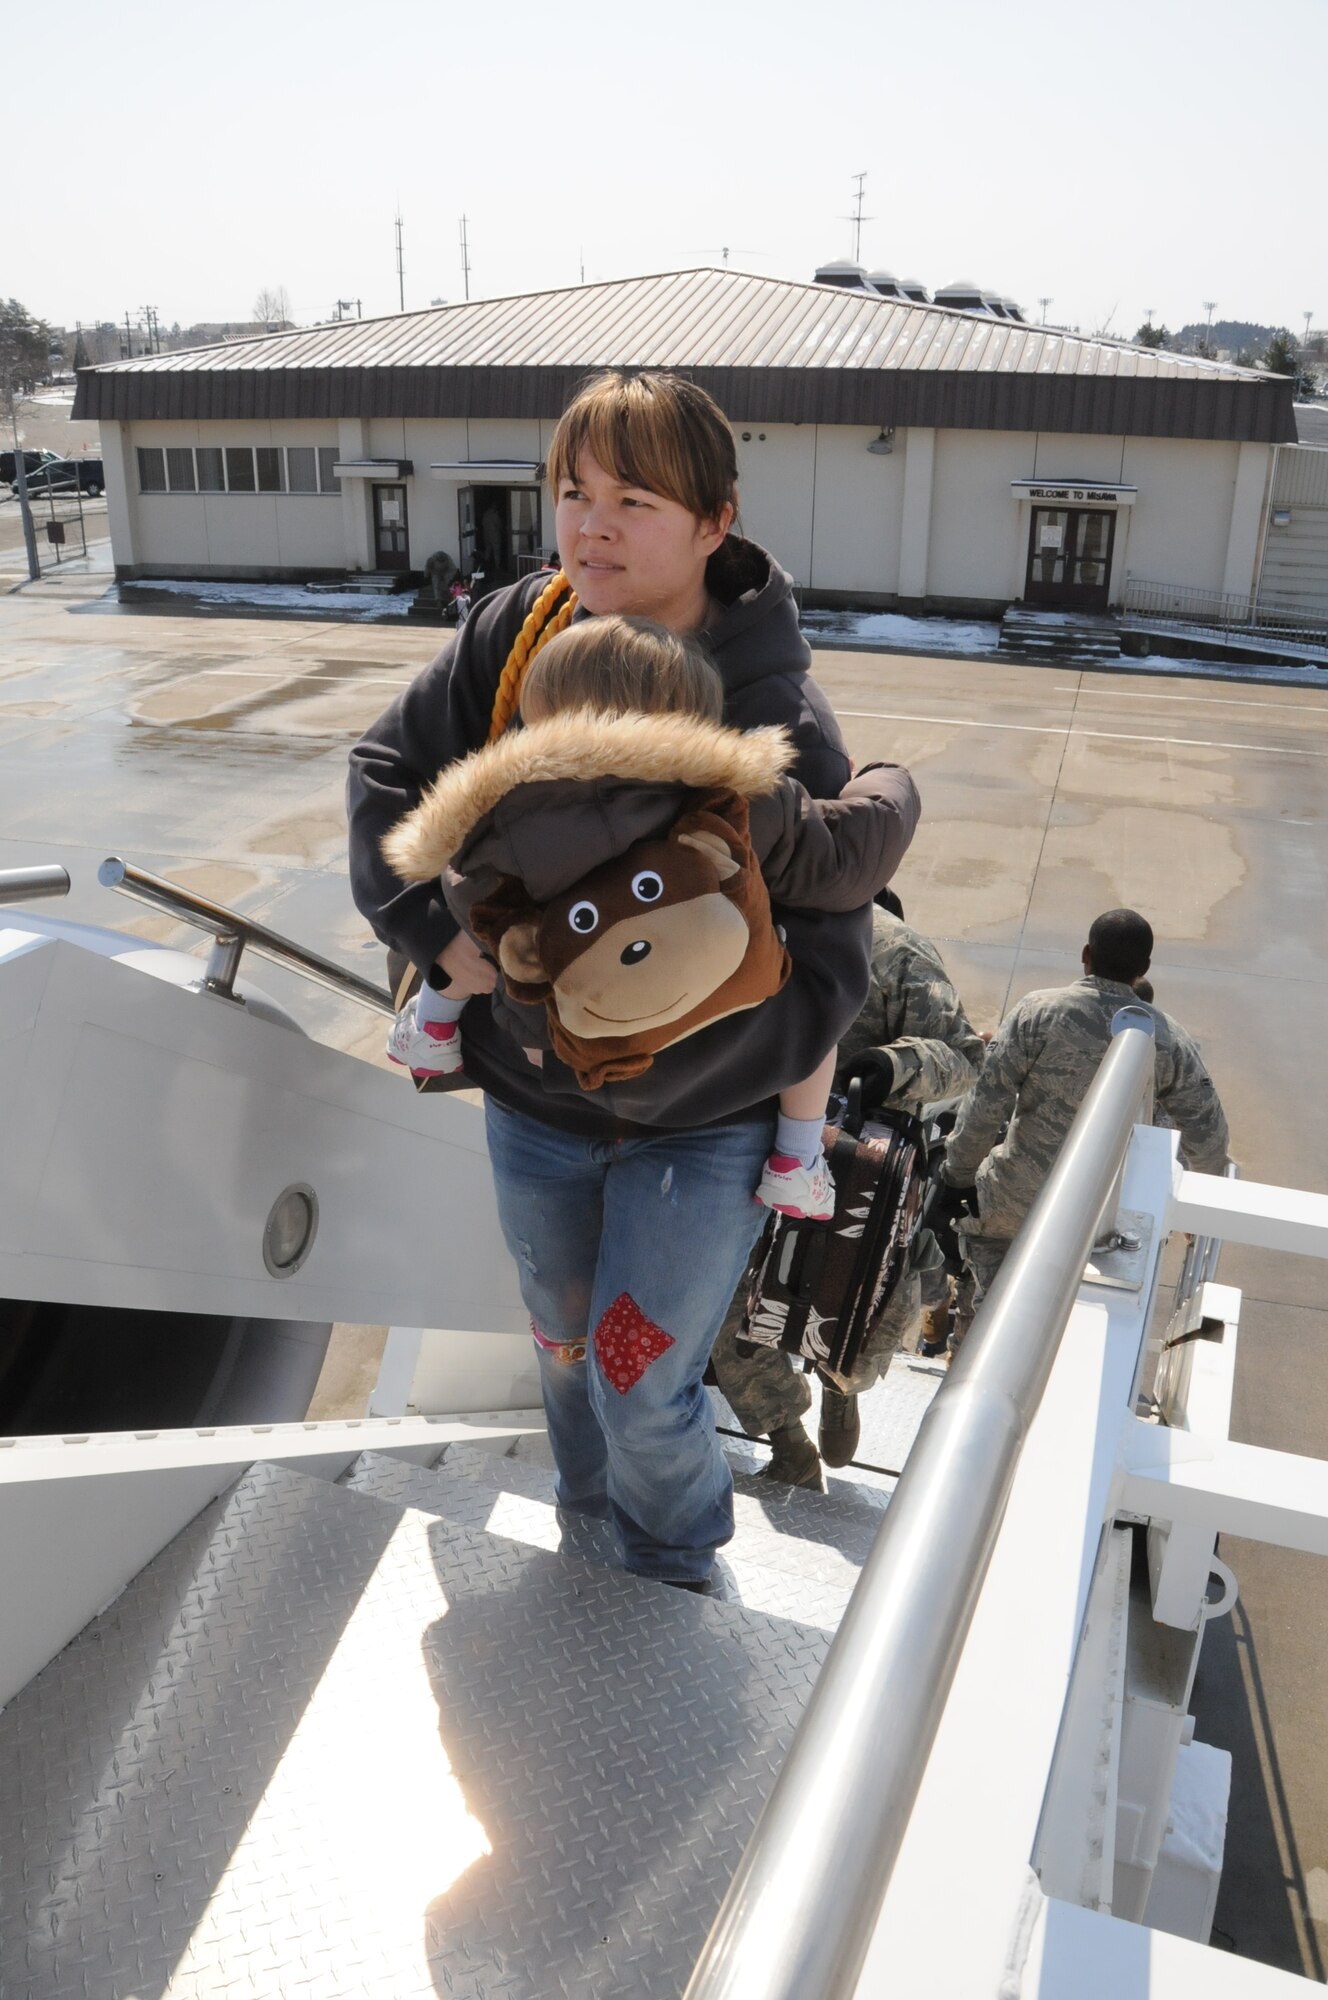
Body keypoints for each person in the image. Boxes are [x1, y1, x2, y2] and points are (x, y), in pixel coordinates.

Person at [346, 368, 907, 1589]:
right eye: (572, 491)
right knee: (559, 1343)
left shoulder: (767, 712)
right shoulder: (516, 635)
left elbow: (826, 958)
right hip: (531, 1112)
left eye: (633, 498)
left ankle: (670, 1557)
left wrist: (655, 1042)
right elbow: (388, 771)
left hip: (697, 1131)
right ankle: (584, 1519)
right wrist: (441, 946)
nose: (589, 525)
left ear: (717, 520)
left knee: (641, 1374)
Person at [382, 614, 920, 1220]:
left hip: (563, 1040)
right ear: (691, 718)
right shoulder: (738, 800)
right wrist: (887, 781)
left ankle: (431, 1032)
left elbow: (465, 897)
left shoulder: (503, 820)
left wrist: (526, 1026)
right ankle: (796, 1160)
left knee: (485, 944)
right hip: (724, 1001)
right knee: (815, 1018)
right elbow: (848, 857)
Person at [710, 902, 986, 1484]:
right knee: (725, 1304)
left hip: (862, 1173)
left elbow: (963, 1055)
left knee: (859, 1297)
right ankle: (789, 1442)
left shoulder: (896, 951)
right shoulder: (740, 915)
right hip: (749, 1155)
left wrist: (895, 1064)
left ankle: (842, 1382)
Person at [935, 908, 1230, 1348]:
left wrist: (956, 1177)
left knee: (993, 1311)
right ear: (1143, 970)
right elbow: (1209, 1136)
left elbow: (985, 1106)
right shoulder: (1169, 1039)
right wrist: (1199, 1211)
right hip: (1104, 1219)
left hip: (1017, 1204)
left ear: (1086, 955)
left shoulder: (1037, 1012)